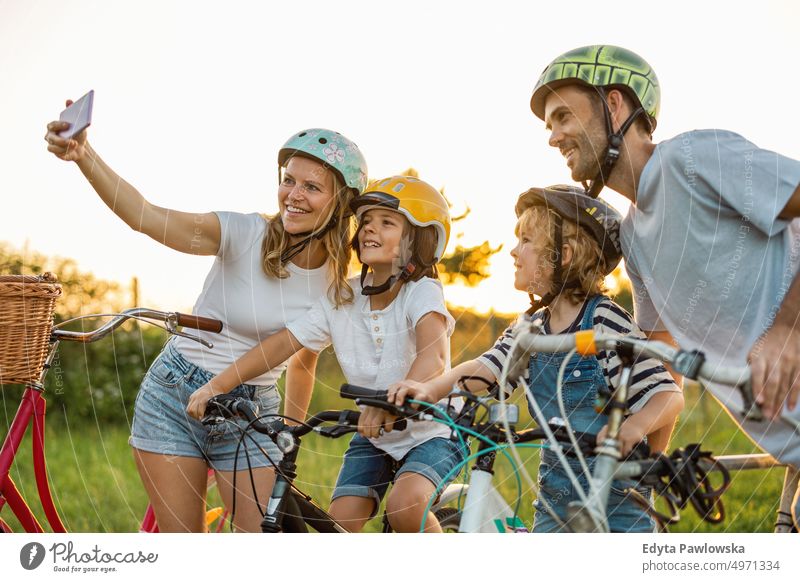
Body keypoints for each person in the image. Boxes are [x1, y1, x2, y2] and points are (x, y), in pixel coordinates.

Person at [44, 115, 368, 532]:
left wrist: (289, 438)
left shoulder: (333, 285)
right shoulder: (243, 232)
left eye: (312, 187)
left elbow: (302, 361)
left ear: (341, 202)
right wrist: (84, 155)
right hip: (174, 394)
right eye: (289, 180)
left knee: (261, 543)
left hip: (251, 410)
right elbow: (147, 217)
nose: (293, 195)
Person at [529, 45, 800, 528]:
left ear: (614, 105)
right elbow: (660, 350)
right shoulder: (633, 237)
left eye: (563, 116)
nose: (553, 137)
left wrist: (786, 328)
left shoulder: (690, 158)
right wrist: (652, 461)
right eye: (548, 125)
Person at [390, 185, 683, 532]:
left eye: (526, 240)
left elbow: (668, 396)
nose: (514, 252)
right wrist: (431, 390)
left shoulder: (604, 320)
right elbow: (486, 368)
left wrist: (633, 428)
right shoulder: (530, 328)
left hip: (617, 509)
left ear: (565, 255)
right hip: (554, 506)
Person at [186, 175, 467, 532]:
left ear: (422, 240)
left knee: (405, 507)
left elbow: (434, 357)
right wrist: (218, 384)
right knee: (339, 527)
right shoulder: (342, 298)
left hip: (432, 433)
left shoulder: (421, 291)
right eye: (365, 220)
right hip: (373, 435)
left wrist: (389, 401)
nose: (369, 229)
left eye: (386, 222)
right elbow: (282, 345)